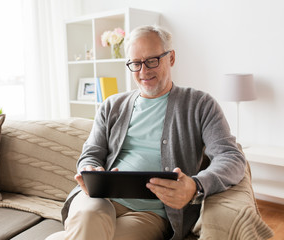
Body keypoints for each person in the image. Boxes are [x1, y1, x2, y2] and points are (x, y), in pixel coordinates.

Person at [47, 25, 246, 240]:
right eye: (135, 63)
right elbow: (90, 153)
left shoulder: (200, 104)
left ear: (171, 58)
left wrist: (195, 186)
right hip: (99, 199)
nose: (143, 71)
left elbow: (231, 158)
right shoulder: (111, 105)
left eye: (152, 60)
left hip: (150, 213)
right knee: (88, 217)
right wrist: (89, 169)